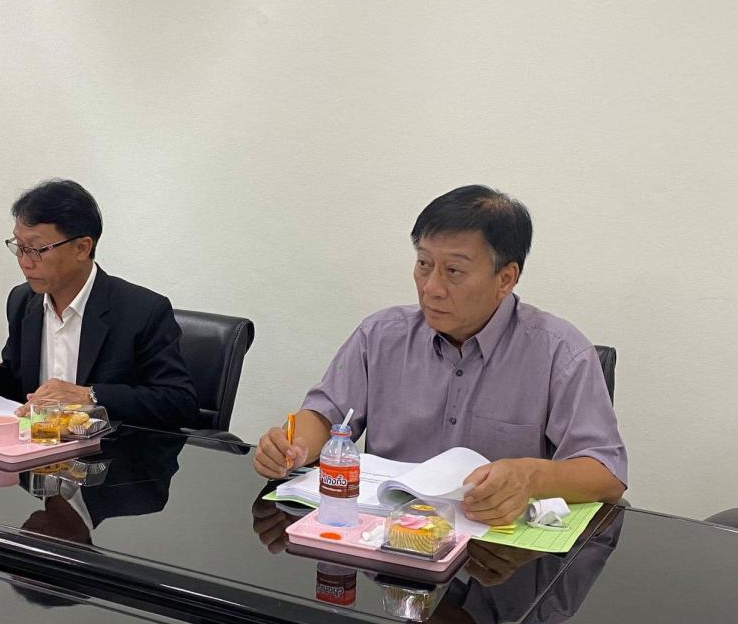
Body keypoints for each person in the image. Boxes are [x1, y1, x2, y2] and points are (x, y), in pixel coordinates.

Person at [254, 185, 627, 526]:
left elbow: (606, 474)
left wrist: (530, 477)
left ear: (506, 279)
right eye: (424, 264)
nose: (431, 287)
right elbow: (325, 415)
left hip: (495, 558)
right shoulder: (380, 336)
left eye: (453, 271)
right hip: (386, 540)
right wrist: (295, 446)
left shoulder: (560, 353)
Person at [0, 179, 197, 429]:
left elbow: (179, 402)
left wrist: (90, 397)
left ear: (82, 248)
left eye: (37, 249)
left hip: (111, 450)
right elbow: (21, 389)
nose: (25, 262)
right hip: (37, 446)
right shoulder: (22, 301)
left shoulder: (142, 311)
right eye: (19, 246)